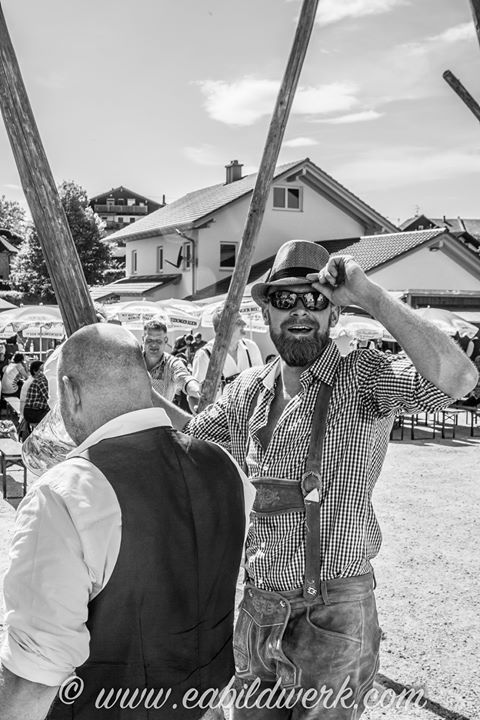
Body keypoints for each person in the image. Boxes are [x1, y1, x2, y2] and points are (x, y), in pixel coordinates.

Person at [151, 239, 478, 719]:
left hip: (334, 616)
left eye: (315, 299)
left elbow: (459, 379)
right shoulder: (247, 390)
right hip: (258, 608)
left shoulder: (363, 376)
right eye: (285, 299)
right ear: (266, 312)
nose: (300, 310)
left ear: (335, 312)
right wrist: (134, 389)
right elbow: (187, 440)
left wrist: (368, 294)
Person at [0, 323, 253, 720]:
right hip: (202, 706)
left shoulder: (65, 494)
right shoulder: (225, 466)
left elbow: (33, 677)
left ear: (70, 392)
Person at [192, 307, 263, 393]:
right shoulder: (205, 355)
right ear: (223, 328)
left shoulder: (251, 347)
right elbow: (196, 396)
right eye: (238, 321)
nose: (244, 324)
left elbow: (261, 383)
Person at [143, 319, 201, 405]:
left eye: (158, 341)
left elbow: (184, 378)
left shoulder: (172, 363)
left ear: (166, 340)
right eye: (149, 340)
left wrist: (198, 390)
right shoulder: (133, 361)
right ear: (143, 339)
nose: (154, 344)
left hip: (162, 413)